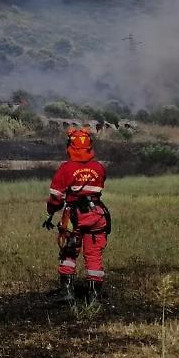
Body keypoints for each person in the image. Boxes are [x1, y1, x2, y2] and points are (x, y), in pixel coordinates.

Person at [43, 126, 111, 303]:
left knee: (69, 252)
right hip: (97, 215)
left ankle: (67, 292)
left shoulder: (66, 169)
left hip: (75, 217)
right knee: (94, 255)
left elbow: (56, 198)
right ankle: (94, 295)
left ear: (70, 146)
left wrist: (50, 212)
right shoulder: (99, 168)